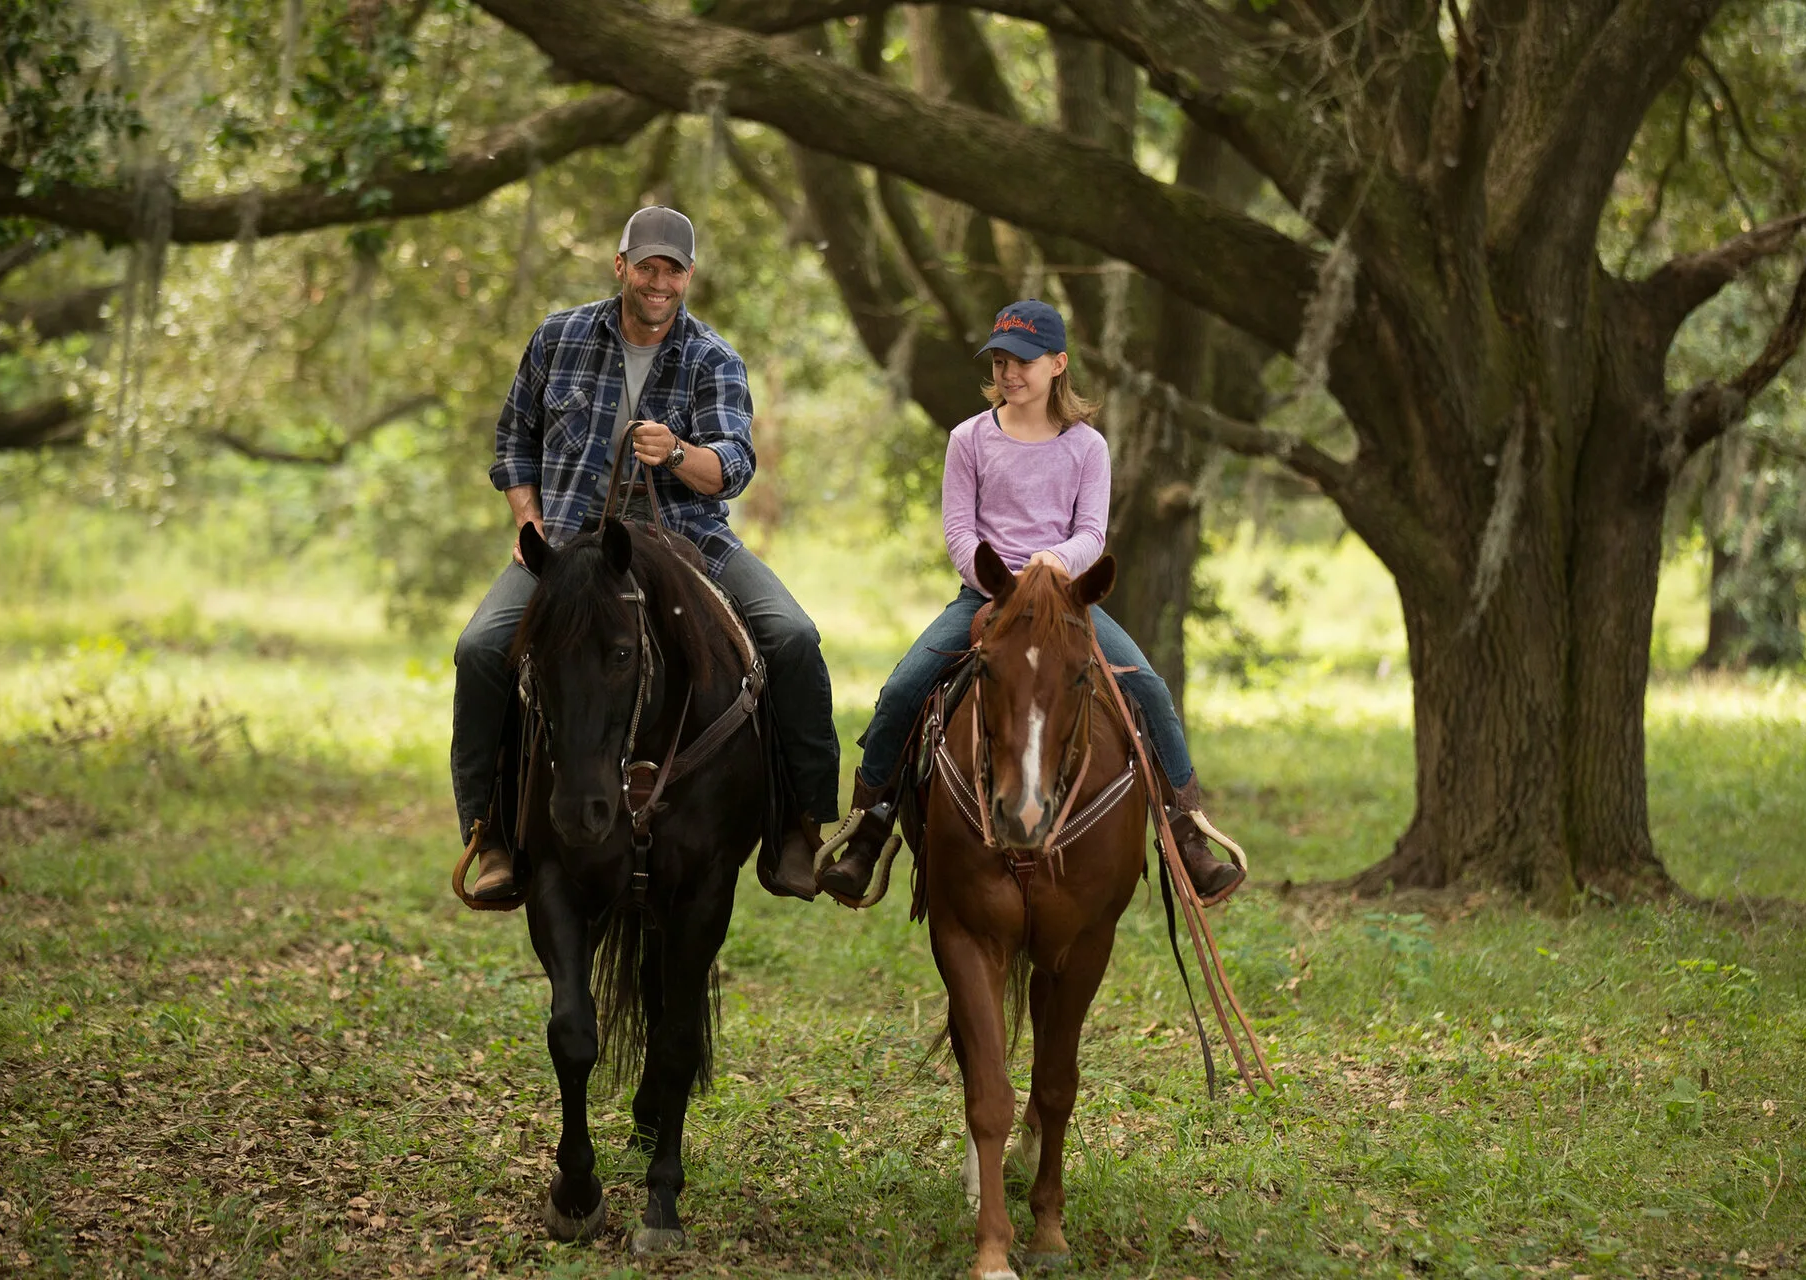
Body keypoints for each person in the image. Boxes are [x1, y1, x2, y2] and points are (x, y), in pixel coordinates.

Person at [451, 206, 837, 902]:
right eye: (648, 266)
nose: (660, 282)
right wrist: (528, 521)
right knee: (480, 648)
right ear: (621, 265)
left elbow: (734, 466)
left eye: (674, 270)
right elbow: (514, 442)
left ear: (689, 277)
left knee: (793, 636)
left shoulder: (713, 357)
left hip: (689, 541)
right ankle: (491, 836)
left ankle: (798, 827)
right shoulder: (559, 336)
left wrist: (679, 453)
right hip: (569, 541)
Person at [818, 299, 1246, 908]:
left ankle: (1185, 832)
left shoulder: (1086, 447)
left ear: (1058, 364)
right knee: (903, 688)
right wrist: (1002, 583)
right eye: (1000, 360)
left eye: (1022, 360)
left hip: (1064, 604)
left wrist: (1058, 565)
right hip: (987, 597)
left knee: (1147, 687)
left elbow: (1091, 532)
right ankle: (870, 828)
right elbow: (961, 533)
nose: (1009, 372)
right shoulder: (969, 438)